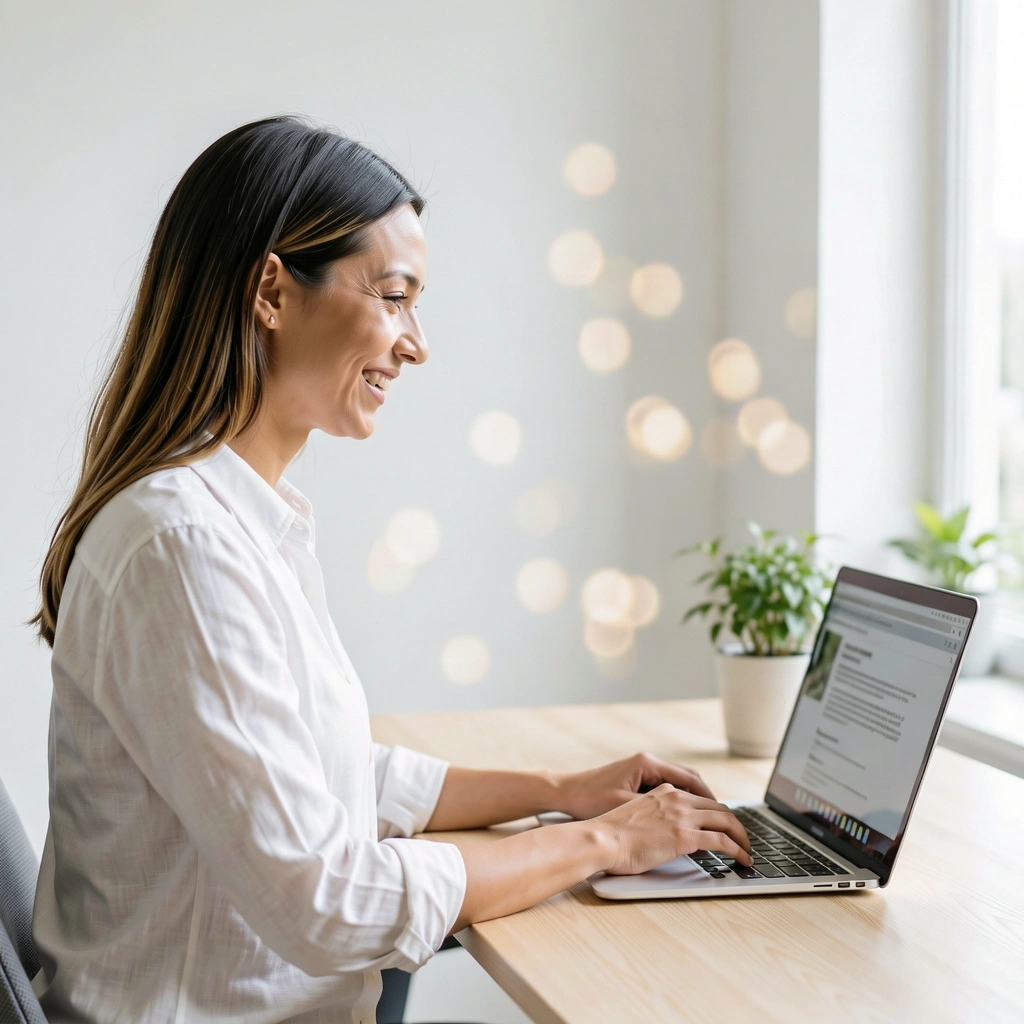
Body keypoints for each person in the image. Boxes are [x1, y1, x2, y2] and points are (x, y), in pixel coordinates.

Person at [30, 116, 752, 1024]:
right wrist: (603, 843)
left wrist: (561, 795)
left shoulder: (236, 522)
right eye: (396, 295)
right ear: (271, 292)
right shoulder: (183, 547)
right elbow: (330, 903)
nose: (417, 342)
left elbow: (328, 777)